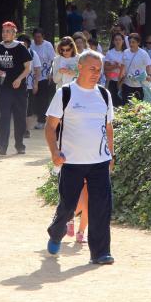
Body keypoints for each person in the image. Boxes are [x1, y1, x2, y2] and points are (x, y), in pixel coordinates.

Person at [45, 50, 115, 265]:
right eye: (92, 69)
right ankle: (56, 232)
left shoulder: (104, 94)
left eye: (99, 70)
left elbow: (109, 127)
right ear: (80, 68)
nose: (96, 73)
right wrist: (55, 153)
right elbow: (50, 126)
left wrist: (111, 155)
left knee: (101, 207)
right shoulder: (65, 93)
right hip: (72, 162)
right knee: (67, 206)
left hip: (99, 161)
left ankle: (100, 252)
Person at [0, 22, 32, 155]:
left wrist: (19, 79)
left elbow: (28, 68)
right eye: (3, 31)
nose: (5, 33)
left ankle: (20, 145)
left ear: (14, 33)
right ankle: (2, 146)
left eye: (8, 31)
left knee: (20, 117)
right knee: (5, 116)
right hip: (4, 88)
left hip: (19, 89)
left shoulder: (21, 48)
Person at [17, 34, 42, 139]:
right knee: (18, 107)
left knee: (28, 108)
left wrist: (36, 83)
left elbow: (37, 69)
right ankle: (20, 128)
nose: (23, 45)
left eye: (24, 43)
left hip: (29, 85)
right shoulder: (14, 53)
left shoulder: (32, 53)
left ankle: (26, 130)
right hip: (17, 85)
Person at [32, 28, 56, 130]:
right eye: (36, 37)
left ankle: (42, 120)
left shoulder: (48, 45)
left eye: (39, 37)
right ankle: (38, 117)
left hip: (45, 76)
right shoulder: (31, 45)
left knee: (43, 99)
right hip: (32, 76)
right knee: (35, 99)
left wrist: (51, 73)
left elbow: (53, 60)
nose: (37, 39)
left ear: (43, 37)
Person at [120, 32, 151, 103]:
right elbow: (122, 66)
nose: (131, 44)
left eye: (133, 42)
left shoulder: (143, 53)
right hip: (127, 84)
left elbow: (149, 65)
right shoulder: (125, 52)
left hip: (139, 85)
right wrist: (120, 80)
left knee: (139, 106)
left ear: (138, 43)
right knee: (127, 105)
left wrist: (149, 75)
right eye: (130, 42)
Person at [105, 32, 127, 107]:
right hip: (113, 80)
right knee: (113, 101)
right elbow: (106, 67)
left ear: (123, 41)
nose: (118, 41)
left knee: (123, 101)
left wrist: (122, 67)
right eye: (116, 40)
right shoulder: (109, 53)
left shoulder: (126, 52)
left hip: (124, 80)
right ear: (113, 41)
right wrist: (114, 66)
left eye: (119, 40)